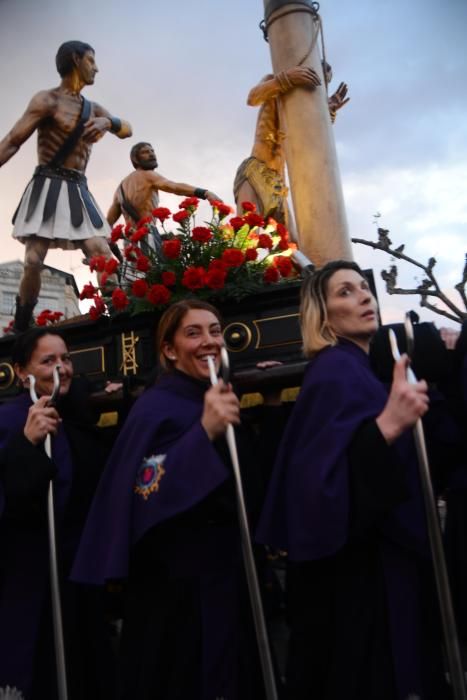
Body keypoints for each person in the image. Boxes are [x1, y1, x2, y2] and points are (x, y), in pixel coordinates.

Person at [256, 260, 450, 699]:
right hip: (362, 575)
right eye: (345, 292)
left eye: (364, 288)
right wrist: (386, 428)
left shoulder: (362, 369)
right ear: (322, 316)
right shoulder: (336, 371)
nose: (364, 296)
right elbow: (318, 482)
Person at [72, 299, 269, 699]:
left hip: (228, 572)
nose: (209, 341)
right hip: (176, 588)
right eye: (193, 333)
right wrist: (204, 433)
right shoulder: (154, 407)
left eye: (215, 331)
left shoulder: (219, 395)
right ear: (168, 349)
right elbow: (144, 488)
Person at [0, 328, 117, 699]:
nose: (62, 368)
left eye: (65, 358)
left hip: (78, 580)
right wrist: (26, 443)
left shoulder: (76, 416)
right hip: (27, 579)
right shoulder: (7, 421)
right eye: (47, 360)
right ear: (21, 372)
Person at [0, 40, 132, 332]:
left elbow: (128, 130)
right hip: (47, 184)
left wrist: (108, 123)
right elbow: (12, 141)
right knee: (33, 260)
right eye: (92, 60)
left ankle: (122, 320)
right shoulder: (46, 100)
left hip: (78, 189)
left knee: (101, 252)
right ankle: (22, 323)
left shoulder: (94, 108)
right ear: (76, 59)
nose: (96, 68)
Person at [233, 64, 349, 235]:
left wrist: (327, 112)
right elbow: (252, 98)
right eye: (317, 76)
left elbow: (309, 141)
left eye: (324, 82)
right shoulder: (275, 80)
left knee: (293, 245)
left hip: (278, 183)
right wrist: (286, 78)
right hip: (255, 171)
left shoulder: (306, 107)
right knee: (245, 237)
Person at [106, 142, 221, 253]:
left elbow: (108, 224)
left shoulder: (120, 188)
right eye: (145, 152)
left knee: (135, 272)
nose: (151, 154)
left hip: (130, 245)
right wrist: (204, 193)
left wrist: (107, 244)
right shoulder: (148, 175)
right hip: (147, 240)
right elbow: (174, 187)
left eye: (152, 151)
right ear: (135, 159)